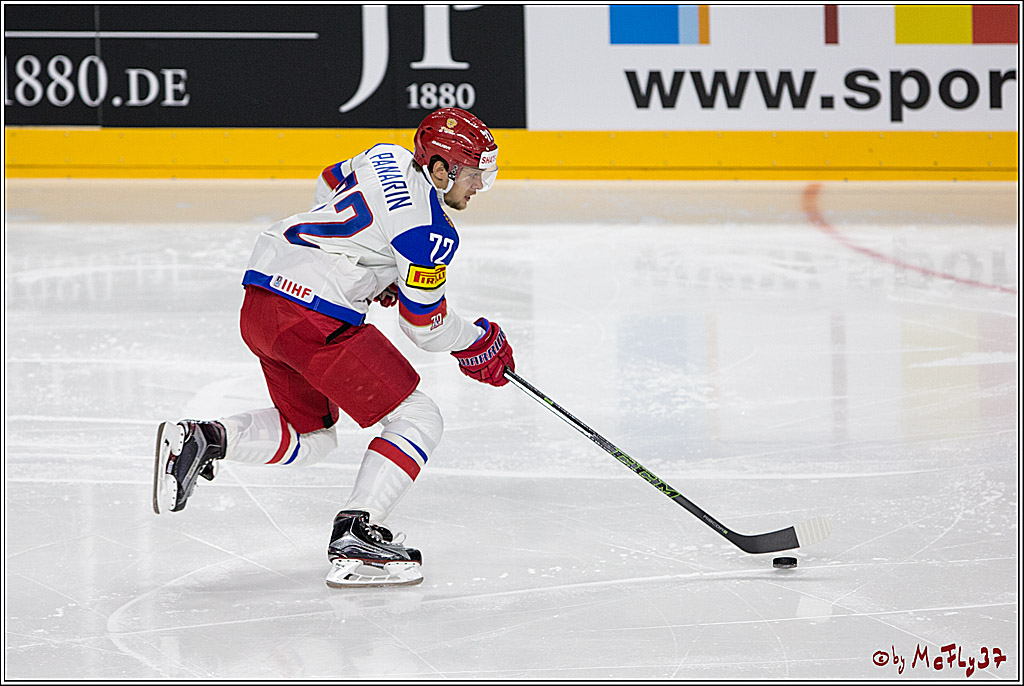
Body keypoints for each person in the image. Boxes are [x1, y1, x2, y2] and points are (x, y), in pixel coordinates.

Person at [152, 108, 515, 588]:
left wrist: (373, 265)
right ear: (441, 169)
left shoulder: (384, 155)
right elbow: (425, 326)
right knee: (419, 417)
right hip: (315, 315)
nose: (479, 186)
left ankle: (201, 439)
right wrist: (478, 342)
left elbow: (329, 182)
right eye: (473, 174)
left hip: (262, 298)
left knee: (310, 436)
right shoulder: (430, 232)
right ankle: (355, 537)